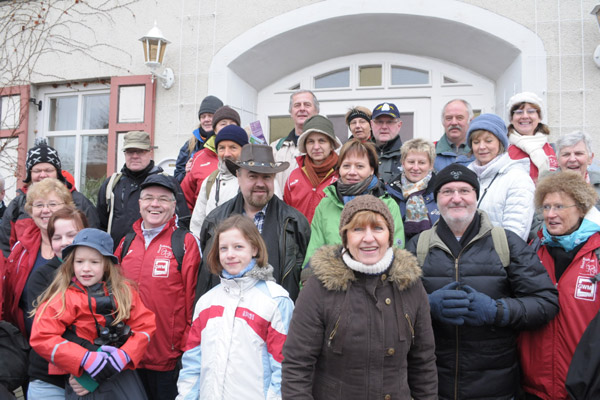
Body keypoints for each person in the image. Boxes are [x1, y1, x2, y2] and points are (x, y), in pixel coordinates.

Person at [405, 163, 558, 400]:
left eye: (464, 191)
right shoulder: (418, 246)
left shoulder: (506, 243)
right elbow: (394, 305)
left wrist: (498, 311)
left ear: (476, 196)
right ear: (437, 199)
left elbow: (546, 302)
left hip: (496, 384)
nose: (456, 199)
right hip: (433, 383)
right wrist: (425, 306)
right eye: (447, 192)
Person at [282, 195, 437, 399]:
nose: (368, 238)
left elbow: (423, 363)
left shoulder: (410, 285)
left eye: (378, 228)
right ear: (345, 237)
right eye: (358, 229)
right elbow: (297, 364)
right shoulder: (319, 287)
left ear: (389, 235)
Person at [29, 228, 156, 398]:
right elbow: (42, 337)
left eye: (94, 262)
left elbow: (145, 326)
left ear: (106, 265)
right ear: (71, 263)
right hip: (83, 375)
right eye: (80, 261)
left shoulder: (124, 292)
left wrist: (124, 355)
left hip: (121, 373)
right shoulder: (64, 297)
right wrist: (85, 358)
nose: (86, 269)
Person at [177, 215, 293, 399]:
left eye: (238, 247)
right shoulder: (206, 302)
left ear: (254, 248)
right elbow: (192, 364)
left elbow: (283, 367)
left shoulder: (276, 300)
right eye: (223, 248)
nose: (230, 254)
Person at [115, 174, 201, 400]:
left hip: (167, 358)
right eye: (149, 198)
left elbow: (194, 299)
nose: (155, 204)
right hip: (127, 356)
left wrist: (185, 348)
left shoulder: (185, 242)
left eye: (163, 199)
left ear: (174, 206)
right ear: (140, 203)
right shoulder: (126, 242)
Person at [519, 171, 600, 400]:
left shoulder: (597, 253)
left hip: (585, 389)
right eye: (545, 207)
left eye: (559, 207)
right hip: (535, 387)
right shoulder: (532, 251)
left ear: (581, 208)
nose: (550, 214)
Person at [197, 143, 311, 302]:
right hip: (228, 317)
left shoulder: (295, 223)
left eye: (266, 177)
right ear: (239, 176)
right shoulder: (215, 221)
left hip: (278, 319)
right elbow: (206, 278)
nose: (260, 183)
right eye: (252, 176)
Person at [303, 139, 405, 266]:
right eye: (346, 166)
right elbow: (314, 252)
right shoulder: (326, 205)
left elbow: (396, 252)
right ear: (339, 169)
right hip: (334, 281)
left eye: (359, 166)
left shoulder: (387, 205)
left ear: (372, 170)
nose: (352, 172)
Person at [25, 207, 88, 399]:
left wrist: (91, 372)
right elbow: (45, 330)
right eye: (57, 238)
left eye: (72, 235)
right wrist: (86, 360)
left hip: (90, 377)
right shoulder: (41, 277)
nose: (65, 243)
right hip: (48, 379)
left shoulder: (101, 273)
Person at [0, 139, 98, 257]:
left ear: (57, 173)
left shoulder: (78, 202)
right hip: (26, 270)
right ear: (30, 174)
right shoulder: (17, 204)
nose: (43, 175)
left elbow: (93, 238)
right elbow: (4, 245)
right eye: (37, 170)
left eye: (48, 170)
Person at [4, 178, 74, 335]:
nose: (46, 210)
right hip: (27, 340)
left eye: (53, 204)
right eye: (39, 205)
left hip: (72, 342)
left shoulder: (80, 245)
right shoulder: (21, 248)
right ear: (30, 210)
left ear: (67, 208)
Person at [96, 130, 189, 249]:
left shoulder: (169, 183)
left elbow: (182, 222)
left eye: (140, 151)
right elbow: (100, 225)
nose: (135, 156)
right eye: (130, 152)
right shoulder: (112, 184)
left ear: (150, 152)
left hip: (158, 257)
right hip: (117, 258)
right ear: (124, 154)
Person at [466, 113, 535, 240]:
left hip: (497, 257)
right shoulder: (466, 176)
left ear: (500, 143)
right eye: (476, 142)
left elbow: (515, 234)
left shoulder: (518, 179)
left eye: (488, 141)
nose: (481, 147)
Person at [190, 124, 249, 236]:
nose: (226, 154)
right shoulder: (210, 181)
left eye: (233, 147)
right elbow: (197, 226)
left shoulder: (257, 180)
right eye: (222, 148)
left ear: (244, 150)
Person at [181, 105, 242, 212]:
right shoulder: (199, 157)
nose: (227, 127)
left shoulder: (249, 157)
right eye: (223, 124)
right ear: (214, 129)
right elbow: (185, 198)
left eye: (232, 124)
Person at [284, 115, 341, 223]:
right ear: (305, 145)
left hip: (332, 240)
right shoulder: (293, 177)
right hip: (298, 239)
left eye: (322, 141)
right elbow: (286, 215)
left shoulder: (343, 175)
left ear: (331, 144)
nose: (316, 147)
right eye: (311, 141)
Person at [386, 138, 440, 241]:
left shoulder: (441, 193)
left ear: (431, 165)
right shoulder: (390, 193)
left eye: (422, 163)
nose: (415, 168)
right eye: (411, 162)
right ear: (403, 163)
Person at [271, 90, 319, 197]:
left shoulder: (329, 147)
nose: (302, 108)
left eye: (307, 105)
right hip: (281, 210)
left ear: (316, 111)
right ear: (291, 113)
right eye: (297, 105)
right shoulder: (275, 148)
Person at [506, 92, 558, 183]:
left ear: (539, 117)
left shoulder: (553, 149)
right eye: (518, 112)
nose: (525, 116)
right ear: (511, 119)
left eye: (531, 111)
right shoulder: (503, 150)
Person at [174, 95, 223, 182]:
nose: (206, 119)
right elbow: (177, 178)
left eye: (210, 116)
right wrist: (186, 173)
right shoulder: (190, 145)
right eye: (203, 116)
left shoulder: (227, 142)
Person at [433, 99, 475, 171]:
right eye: (449, 118)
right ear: (443, 122)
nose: (454, 122)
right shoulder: (431, 151)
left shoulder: (480, 151)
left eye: (459, 118)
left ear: (470, 121)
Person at [556, 130, 600, 199]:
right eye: (566, 154)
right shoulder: (544, 186)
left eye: (578, 153)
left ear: (590, 158)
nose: (572, 159)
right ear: (558, 160)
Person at [370, 102, 403, 184]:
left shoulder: (408, 156)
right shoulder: (362, 153)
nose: (384, 127)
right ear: (371, 124)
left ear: (399, 125)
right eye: (379, 122)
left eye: (390, 122)